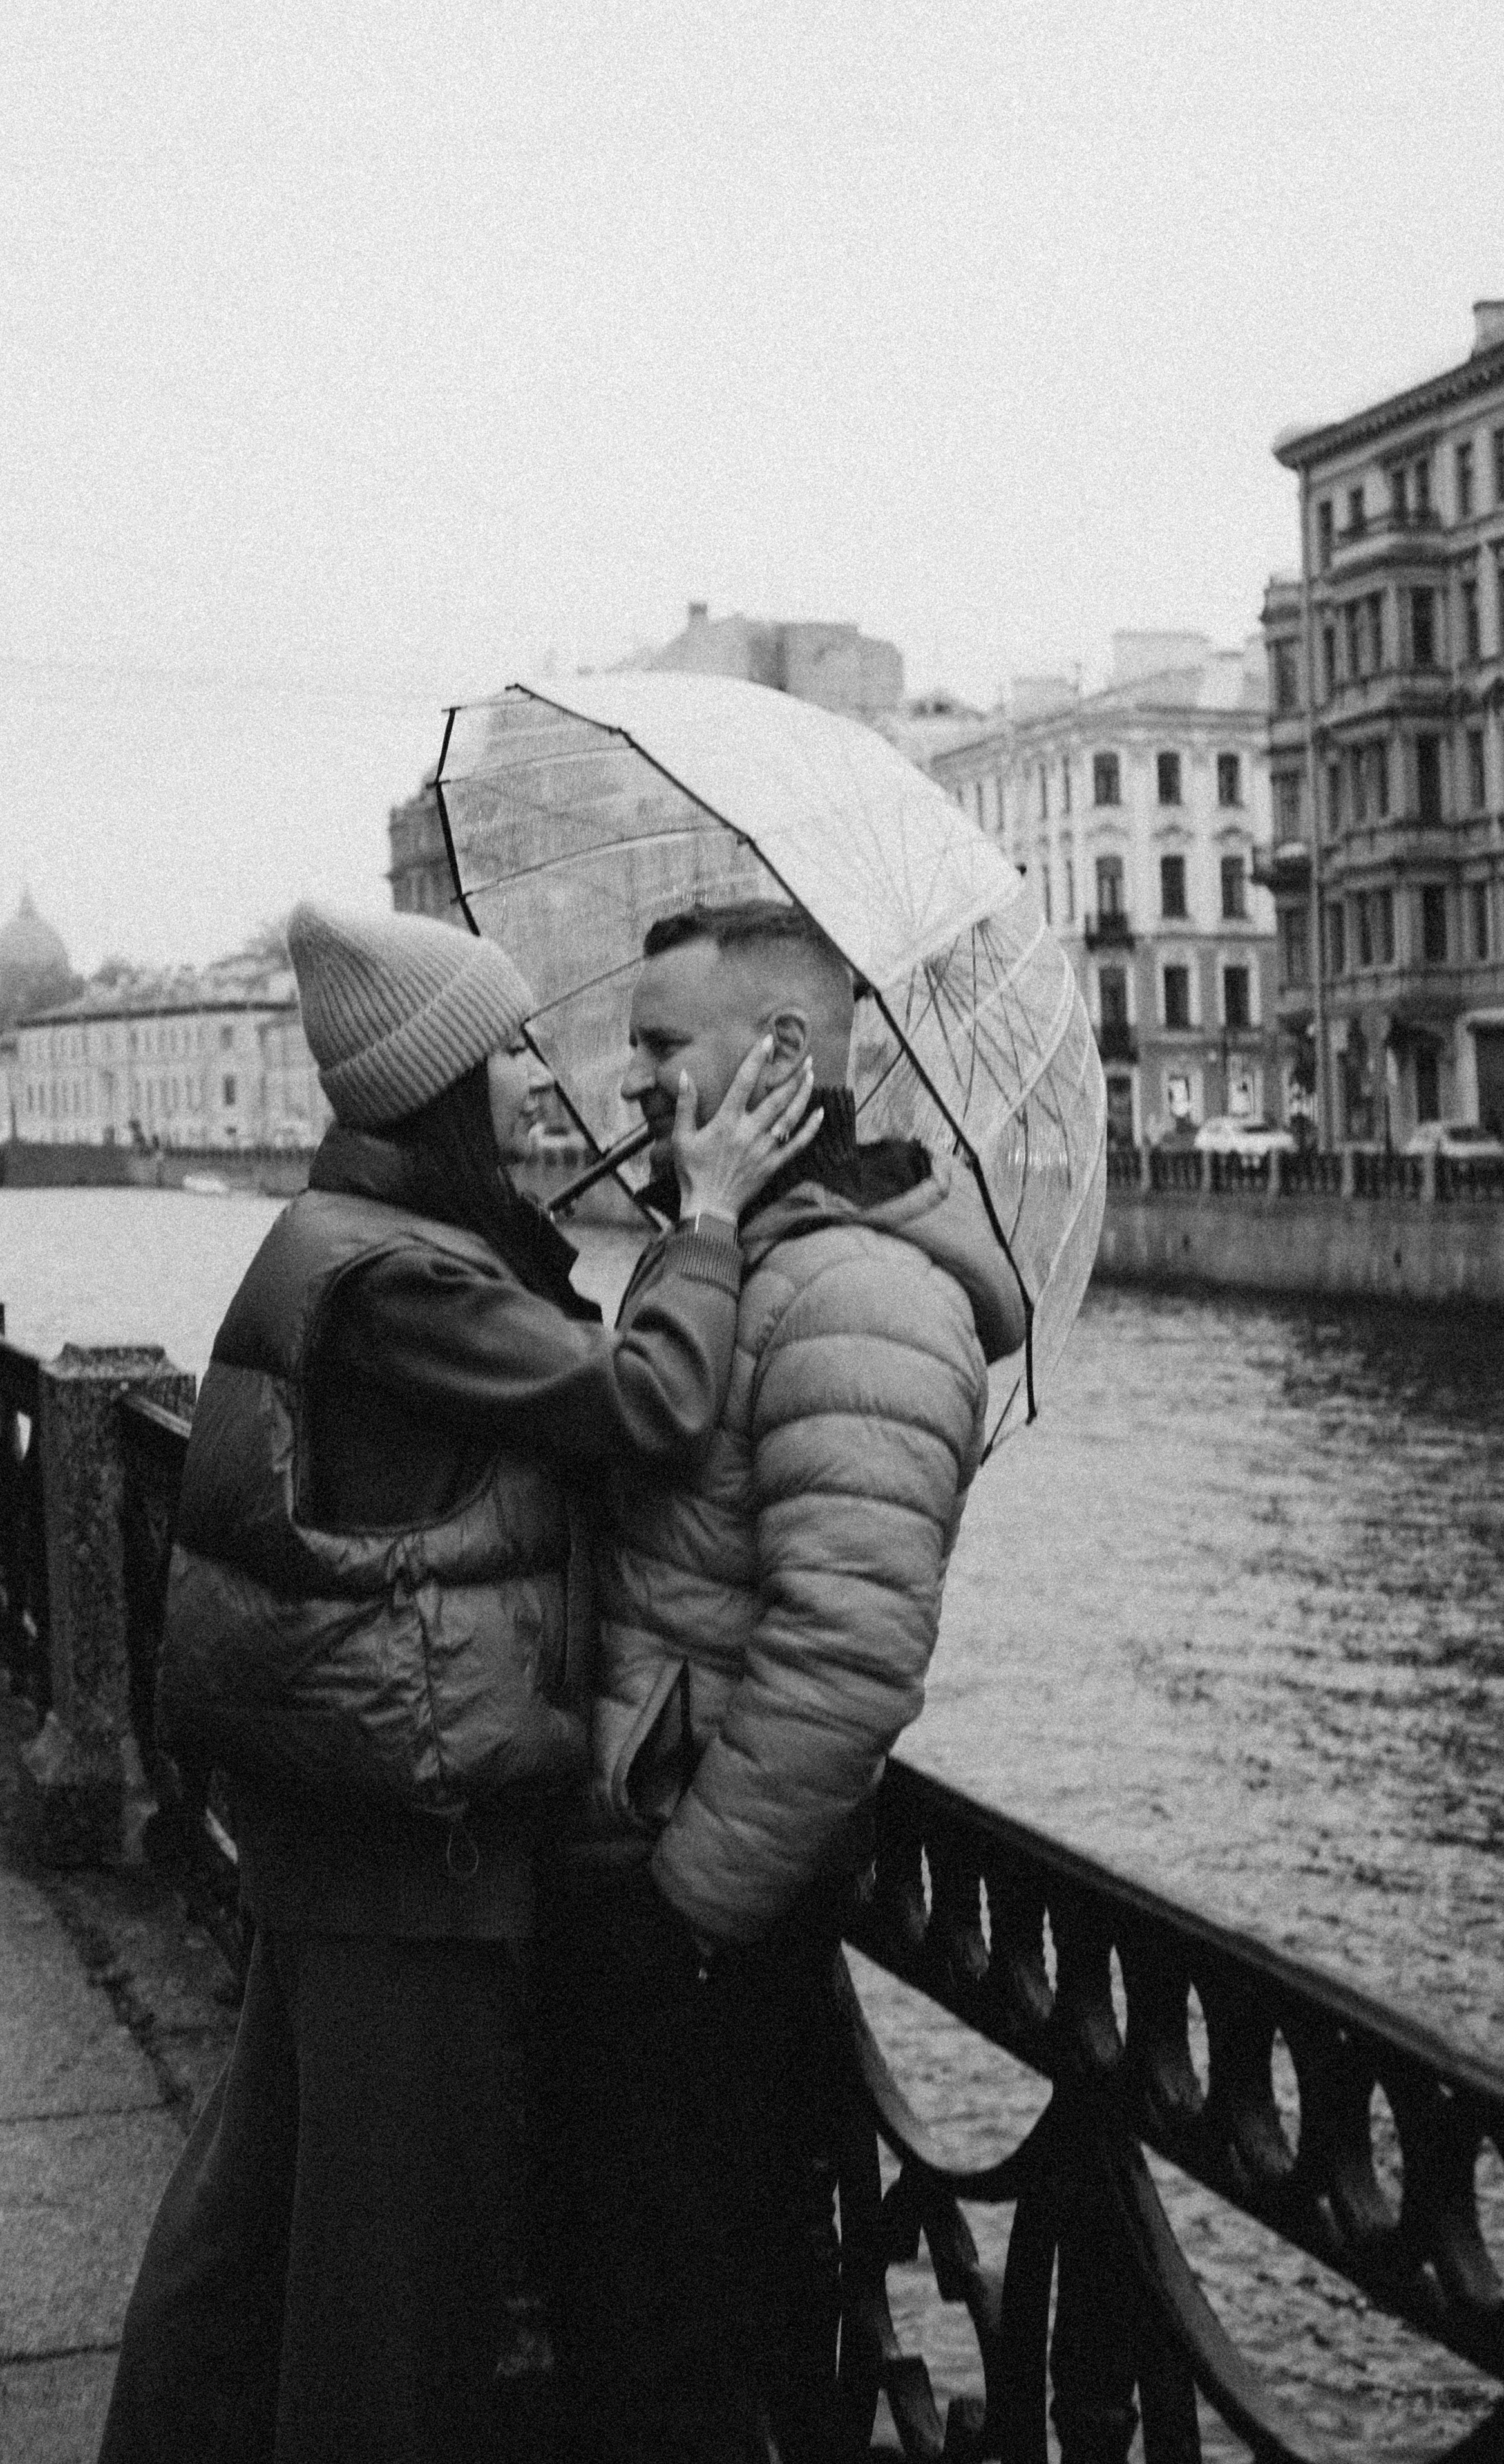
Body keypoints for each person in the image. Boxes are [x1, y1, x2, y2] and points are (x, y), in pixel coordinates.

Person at [97, 900, 820, 2464]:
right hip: (412, 1855)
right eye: (505, 1053)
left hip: (343, 1831)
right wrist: (705, 1220)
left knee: (247, 2252)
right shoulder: (399, 1279)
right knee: (393, 2312)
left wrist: (543, 1239)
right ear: (434, 1087)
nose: (540, 1079)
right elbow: (651, 1402)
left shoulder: (367, 1242)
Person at [540, 900, 1029, 2464]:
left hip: (698, 1925)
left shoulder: (862, 1296)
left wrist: (685, 1911)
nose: (629, 1079)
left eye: (657, 1043)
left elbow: (847, 1652)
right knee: (639, 2325)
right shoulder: (743, 1252)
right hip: (644, 1872)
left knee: (679, 2350)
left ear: (780, 1054)